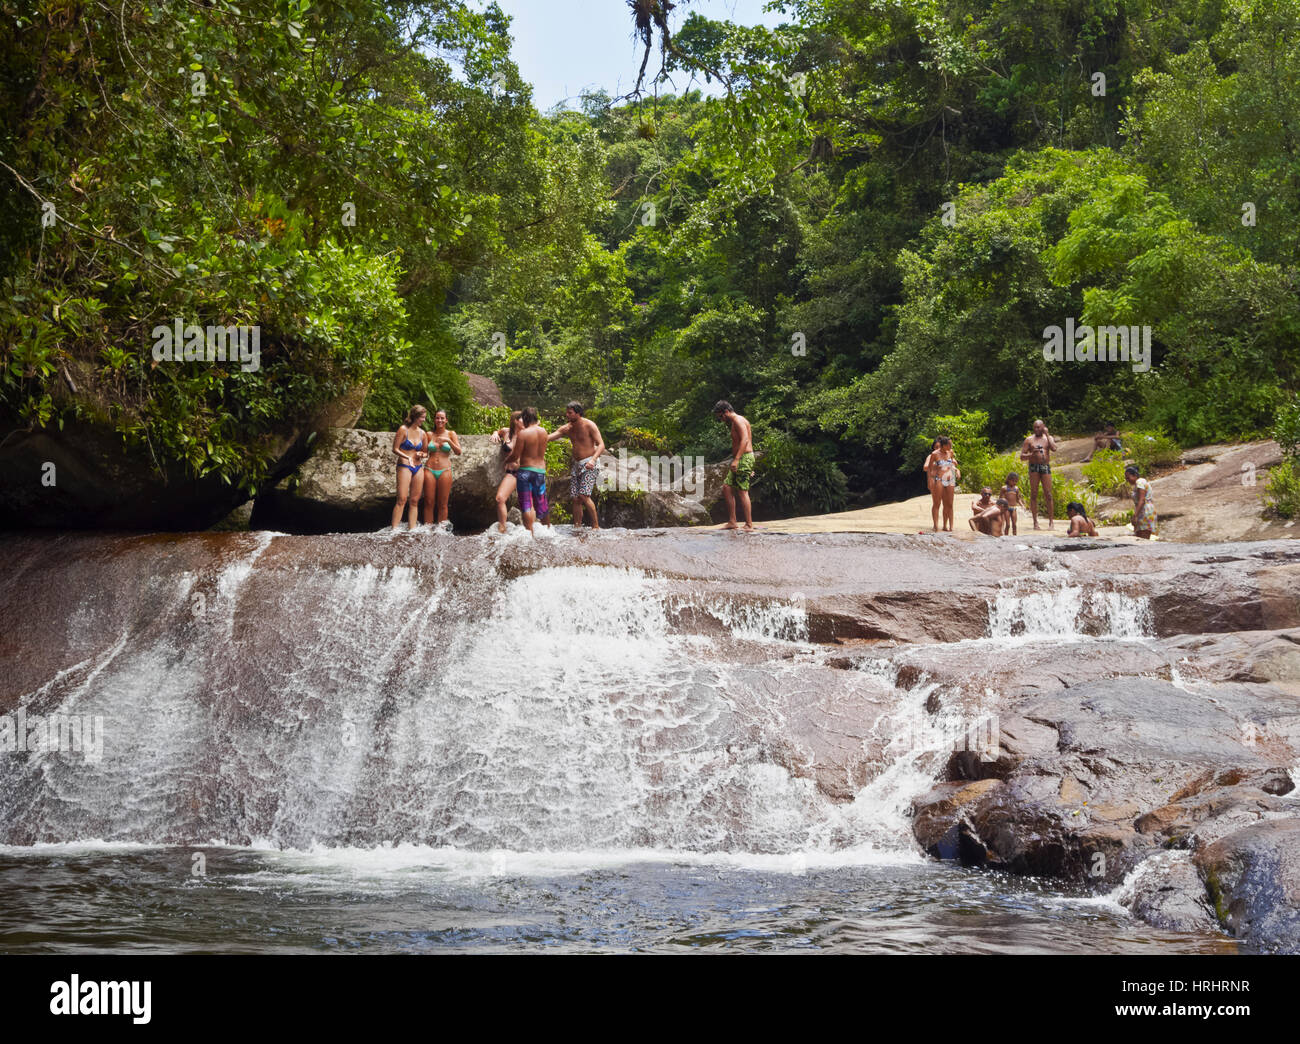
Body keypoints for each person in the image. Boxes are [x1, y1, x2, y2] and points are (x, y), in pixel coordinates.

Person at [548, 401, 605, 530]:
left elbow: (601, 444)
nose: (567, 415)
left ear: (578, 413)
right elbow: (549, 437)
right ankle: (577, 526)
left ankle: (596, 527)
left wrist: (593, 460)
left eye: (570, 413)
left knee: (584, 496)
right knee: (575, 498)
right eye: (566, 412)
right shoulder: (567, 428)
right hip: (576, 465)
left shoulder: (589, 425)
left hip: (590, 463)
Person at [502, 406, 549, 534]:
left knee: (527, 504)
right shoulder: (543, 431)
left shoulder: (524, 433)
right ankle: (549, 531)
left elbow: (516, 455)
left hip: (525, 472)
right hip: (540, 472)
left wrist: (506, 461)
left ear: (526, 418)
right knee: (541, 502)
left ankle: (530, 533)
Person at [714, 400, 756, 530]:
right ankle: (732, 521)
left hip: (743, 458)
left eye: (721, 416)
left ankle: (749, 524)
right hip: (743, 458)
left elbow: (745, 439)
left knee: (742, 491)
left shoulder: (738, 420)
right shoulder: (736, 421)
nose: (721, 420)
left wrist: (737, 460)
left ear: (726, 411)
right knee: (727, 487)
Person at [421, 409, 462, 526]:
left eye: (442, 418)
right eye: (437, 418)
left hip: (445, 470)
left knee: (443, 503)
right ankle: (427, 529)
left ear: (446, 420)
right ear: (434, 420)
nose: (439, 420)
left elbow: (458, 452)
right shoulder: (428, 434)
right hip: (429, 469)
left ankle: (441, 531)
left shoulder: (451, 434)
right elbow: (424, 452)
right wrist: (418, 454)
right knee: (429, 502)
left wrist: (448, 440)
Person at [391, 405, 427, 530]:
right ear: (415, 417)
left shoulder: (423, 433)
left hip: (418, 467)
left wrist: (420, 454)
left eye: (424, 418)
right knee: (402, 499)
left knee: (414, 501)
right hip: (404, 465)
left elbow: (425, 452)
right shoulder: (403, 430)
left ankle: (412, 529)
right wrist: (407, 457)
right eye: (422, 417)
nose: (424, 420)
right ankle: (394, 530)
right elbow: (395, 449)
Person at [1019, 419, 1058, 530]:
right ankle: (1035, 522)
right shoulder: (1029, 440)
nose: (1037, 429)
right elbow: (1022, 457)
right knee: (1034, 494)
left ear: (1043, 427)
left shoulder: (1048, 438)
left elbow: (1054, 448)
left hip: (1045, 466)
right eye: (1035, 427)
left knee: (1048, 494)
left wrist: (1047, 434)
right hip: (1033, 467)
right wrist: (1032, 454)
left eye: (1039, 427)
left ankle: (1051, 522)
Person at [490, 411, 523, 529]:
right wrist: (495, 433)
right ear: (515, 421)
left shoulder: (527, 434)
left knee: (528, 503)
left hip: (524, 472)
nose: (525, 420)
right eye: (522, 419)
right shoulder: (506, 431)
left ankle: (532, 531)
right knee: (500, 498)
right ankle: (502, 528)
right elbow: (498, 432)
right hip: (511, 473)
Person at [928, 436, 960, 531]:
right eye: (949, 444)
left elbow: (952, 464)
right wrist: (931, 479)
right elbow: (930, 468)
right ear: (944, 445)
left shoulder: (951, 452)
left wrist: (957, 471)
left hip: (950, 479)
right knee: (937, 503)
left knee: (949, 504)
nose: (951, 446)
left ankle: (950, 527)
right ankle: (936, 526)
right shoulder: (934, 454)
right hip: (939, 479)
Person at [1125, 465, 1157, 539]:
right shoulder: (1138, 484)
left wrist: (1135, 516)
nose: (1127, 480)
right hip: (1142, 511)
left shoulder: (1140, 481)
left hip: (1145, 512)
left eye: (1128, 477)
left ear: (1135, 475)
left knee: (1143, 538)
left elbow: (1141, 500)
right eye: (1126, 478)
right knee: (1139, 537)